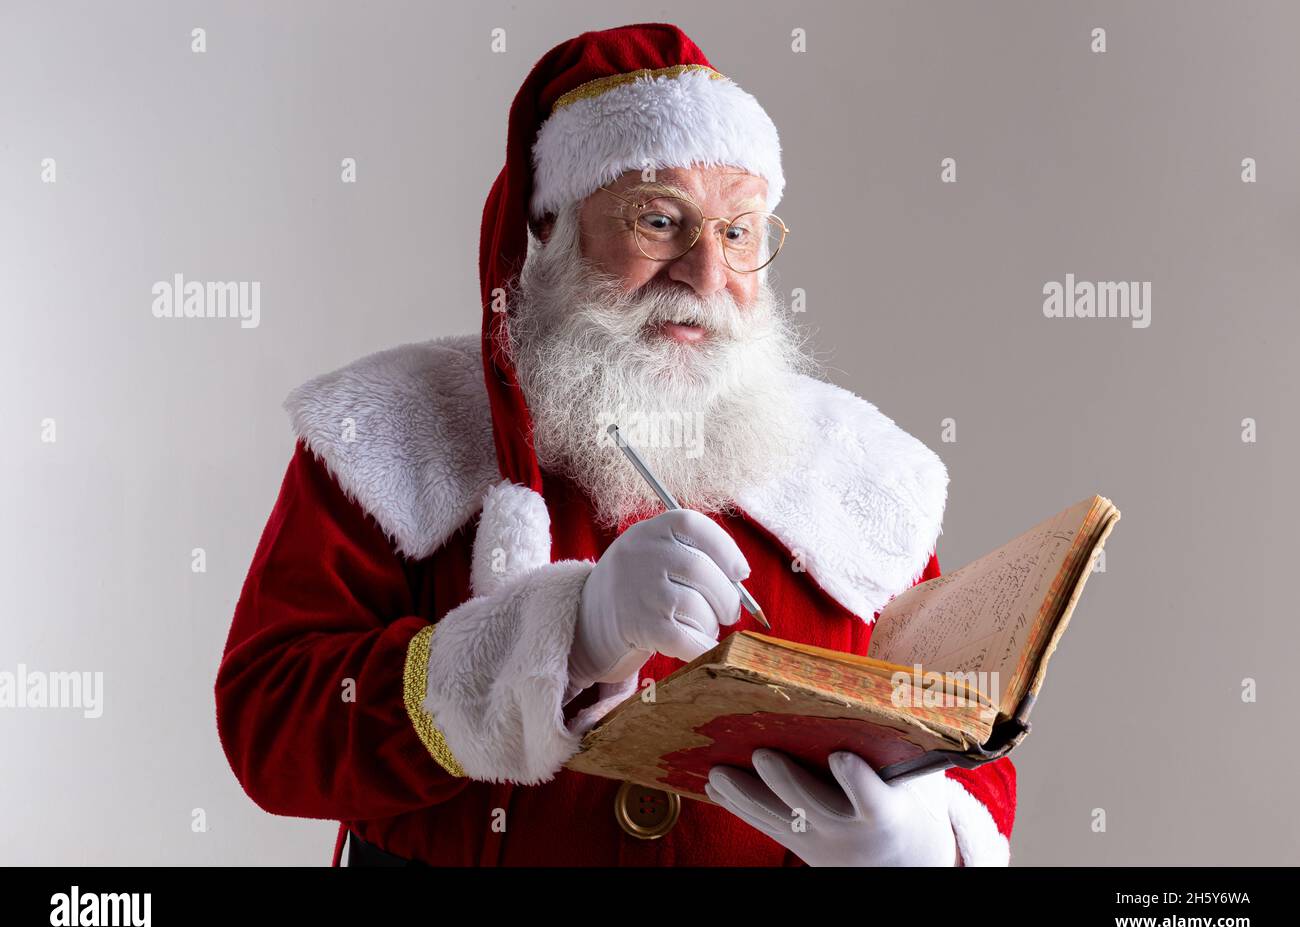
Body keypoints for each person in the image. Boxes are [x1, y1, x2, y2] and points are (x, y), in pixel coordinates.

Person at [215, 22, 1015, 866]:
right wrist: (568, 639)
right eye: (659, 221)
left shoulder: (857, 466)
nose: (706, 276)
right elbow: (269, 726)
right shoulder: (389, 430)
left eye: (739, 233)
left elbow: (955, 718)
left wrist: (927, 842)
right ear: (555, 233)